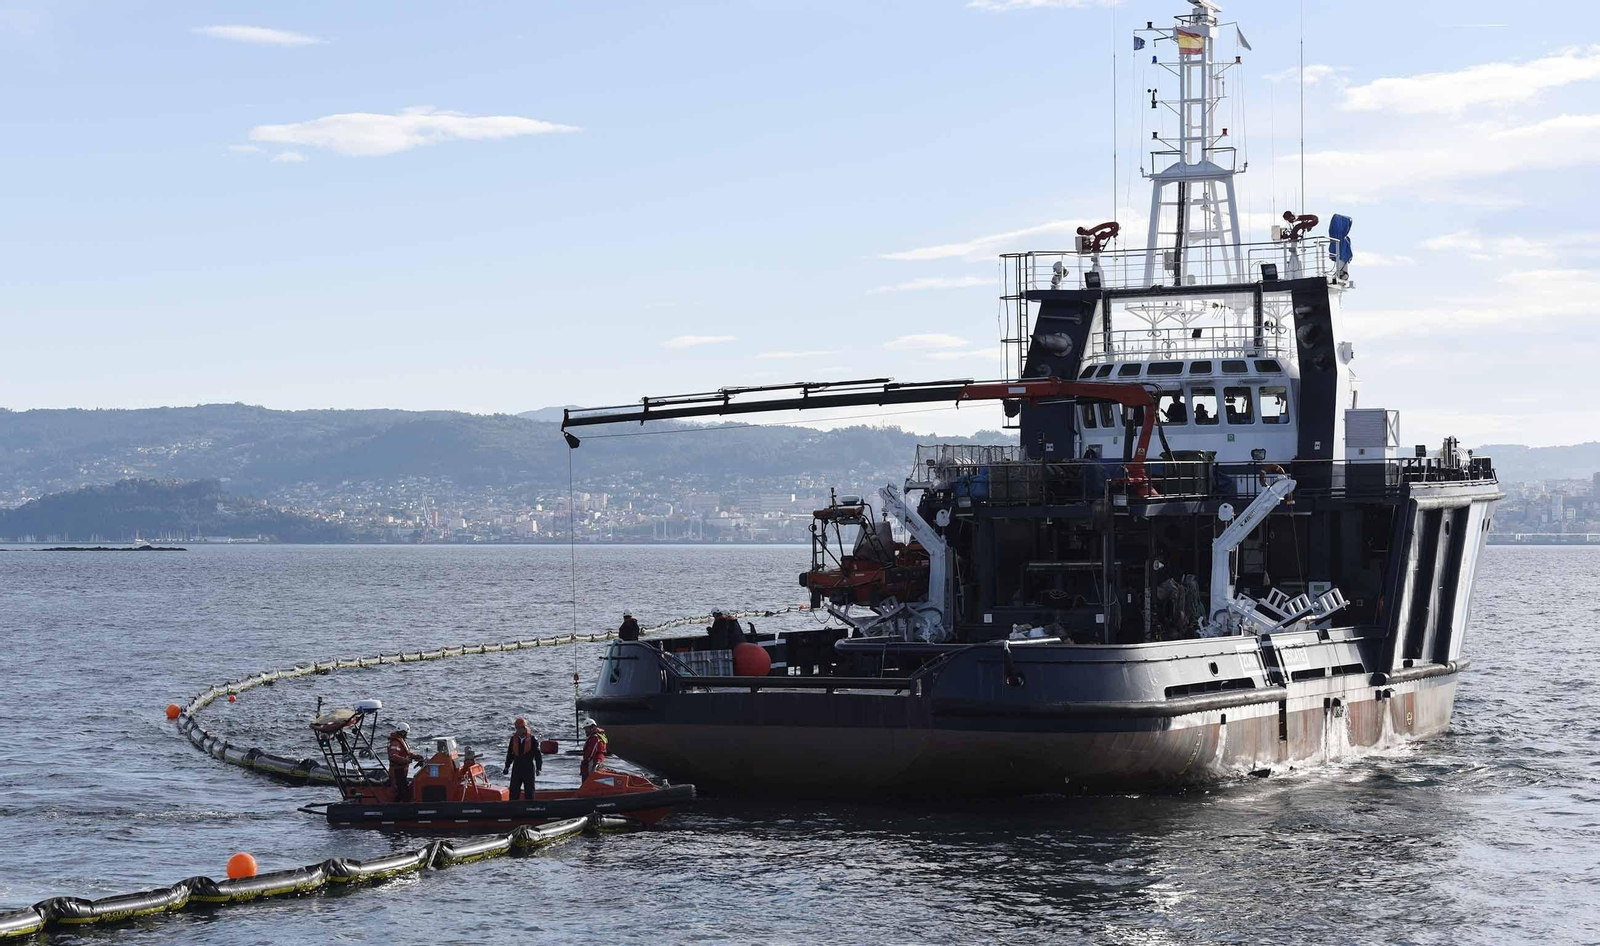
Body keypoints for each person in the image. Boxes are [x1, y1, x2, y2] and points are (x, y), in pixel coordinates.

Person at [503, 717, 543, 801]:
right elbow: (510, 754)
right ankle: (513, 809)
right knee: (514, 791)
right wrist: (507, 766)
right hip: (517, 768)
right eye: (516, 728)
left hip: (528, 768)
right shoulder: (513, 739)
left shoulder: (532, 740)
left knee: (529, 792)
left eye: (518, 728)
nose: (517, 730)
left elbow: (538, 756)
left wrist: (539, 768)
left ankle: (530, 809)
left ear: (524, 728)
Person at [386, 723, 423, 802]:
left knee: (404, 789)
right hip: (397, 771)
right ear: (402, 732)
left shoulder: (401, 741)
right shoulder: (395, 743)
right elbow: (393, 756)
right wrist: (406, 760)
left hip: (402, 770)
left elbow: (407, 753)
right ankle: (397, 806)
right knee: (400, 791)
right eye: (406, 733)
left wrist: (416, 756)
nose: (407, 735)